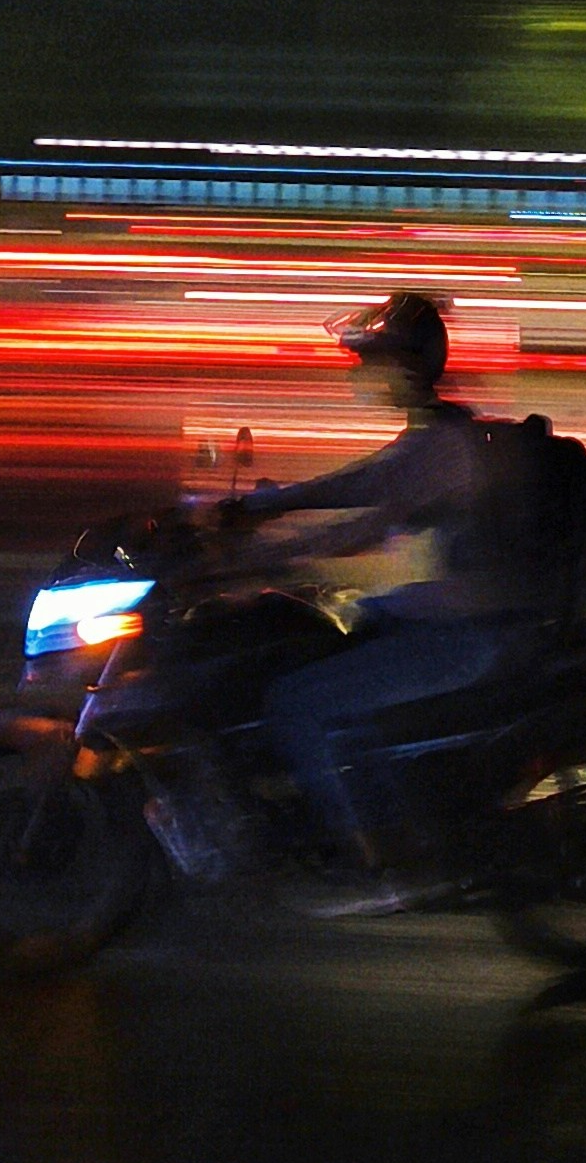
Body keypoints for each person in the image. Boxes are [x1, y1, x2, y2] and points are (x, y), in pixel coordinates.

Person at [226, 290, 564, 908]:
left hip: (471, 633)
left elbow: (369, 524)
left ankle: (374, 863)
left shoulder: (444, 445)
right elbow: (363, 480)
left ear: (406, 367)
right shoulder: (436, 432)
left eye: (372, 362)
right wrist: (267, 504)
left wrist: (265, 553)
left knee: (297, 702)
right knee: (337, 630)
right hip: (457, 614)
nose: (362, 376)